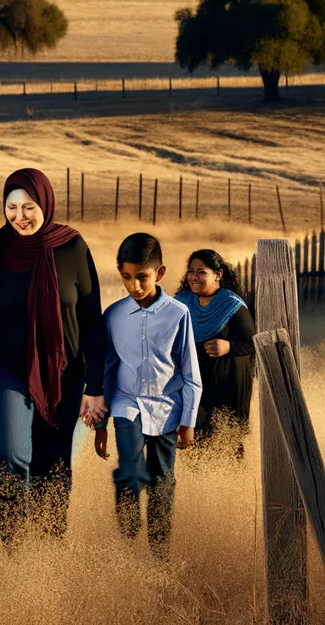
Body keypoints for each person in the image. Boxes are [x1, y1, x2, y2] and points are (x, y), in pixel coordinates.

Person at [0, 168, 108, 547]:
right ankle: (13, 546)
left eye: (29, 206)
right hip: (2, 368)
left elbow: (91, 316)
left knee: (54, 461)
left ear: (45, 203)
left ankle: (48, 548)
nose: (20, 216)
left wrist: (96, 387)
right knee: (8, 453)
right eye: (12, 207)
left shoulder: (73, 247)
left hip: (64, 372)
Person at [91, 233, 201, 558]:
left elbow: (190, 371)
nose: (134, 285)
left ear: (160, 273)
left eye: (142, 276)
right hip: (126, 405)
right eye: (126, 277)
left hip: (168, 409)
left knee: (163, 481)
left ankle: (159, 550)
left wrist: (188, 421)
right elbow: (105, 371)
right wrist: (99, 424)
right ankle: (127, 539)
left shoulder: (178, 314)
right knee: (129, 469)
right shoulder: (112, 316)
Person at [173, 249, 255, 452]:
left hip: (229, 388)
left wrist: (229, 346)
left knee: (227, 443)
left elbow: (252, 343)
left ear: (218, 274)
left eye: (201, 272)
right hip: (193, 386)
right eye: (191, 271)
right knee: (193, 442)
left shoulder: (232, 305)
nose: (194, 277)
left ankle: (232, 483)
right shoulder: (181, 302)